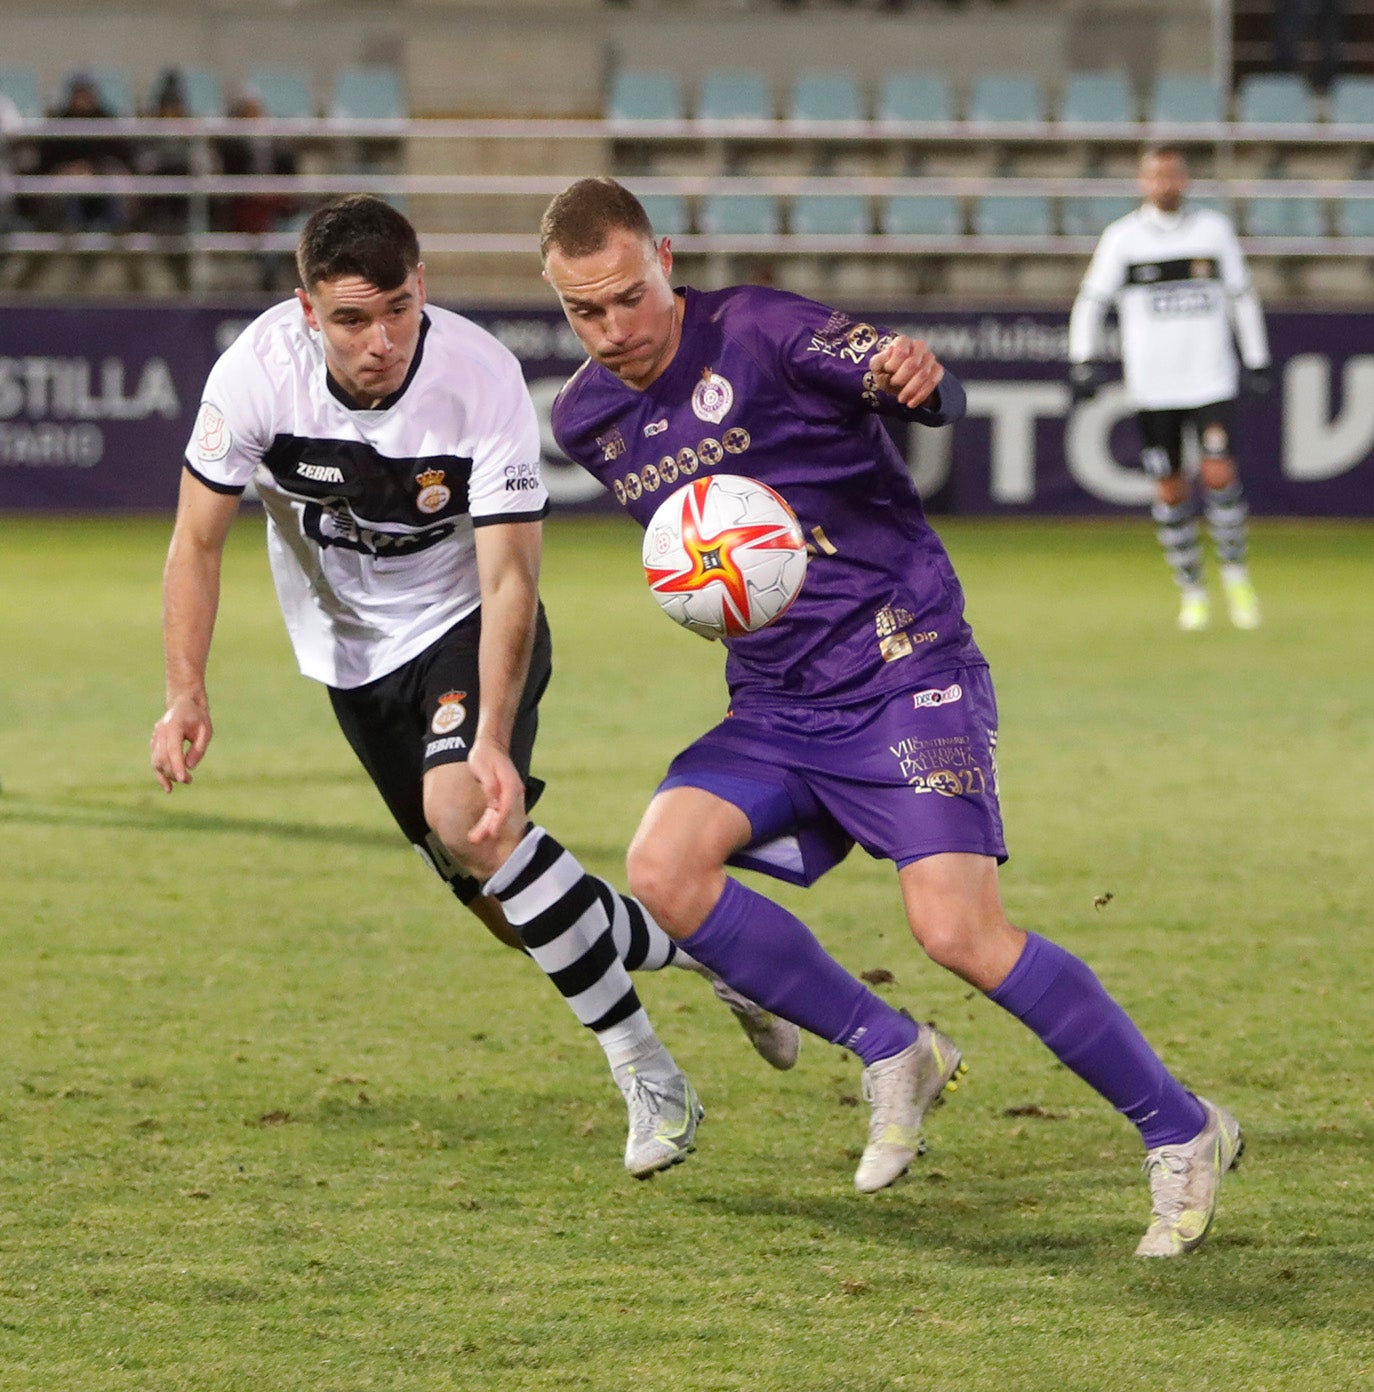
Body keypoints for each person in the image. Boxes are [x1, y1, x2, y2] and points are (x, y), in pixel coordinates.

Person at [539, 176, 1242, 1257]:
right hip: (776, 699)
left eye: (629, 296)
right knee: (664, 867)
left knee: (956, 930)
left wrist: (914, 377)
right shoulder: (588, 416)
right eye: (584, 311)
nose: (614, 329)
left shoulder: (763, 330)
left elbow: (915, 386)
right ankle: (890, 1045)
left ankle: (1184, 1128)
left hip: (904, 663)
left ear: (666, 259)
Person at [149, 193, 798, 1180]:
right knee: (509, 908)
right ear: (304, 310)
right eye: (351, 319)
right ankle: (708, 950)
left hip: (472, 629)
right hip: (352, 663)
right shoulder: (253, 378)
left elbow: (511, 578)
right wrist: (185, 692)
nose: (379, 341)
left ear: (425, 290)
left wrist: (490, 735)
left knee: (468, 814)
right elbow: (196, 542)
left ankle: (648, 1073)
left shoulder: (479, 376)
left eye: (398, 309)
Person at [1068, 144, 1270, 633]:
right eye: (1156, 176)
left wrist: (1256, 357)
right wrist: (1083, 358)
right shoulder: (1124, 238)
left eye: (1173, 175)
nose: (1165, 184)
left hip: (1210, 378)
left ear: (1186, 180)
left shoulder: (1213, 231)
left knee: (1219, 474)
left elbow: (1242, 296)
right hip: (1154, 386)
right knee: (1170, 487)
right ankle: (1192, 590)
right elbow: (1092, 300)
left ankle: (1236, 576)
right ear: (1143, 182)